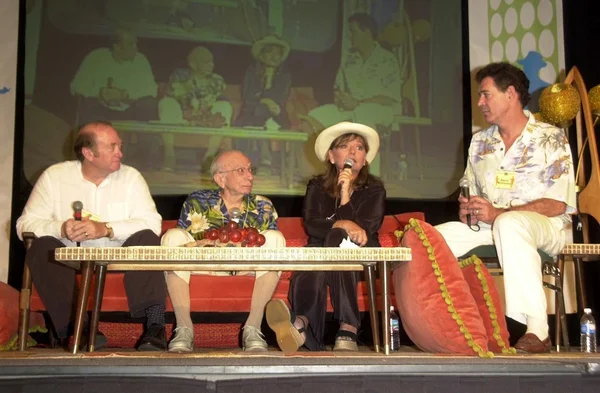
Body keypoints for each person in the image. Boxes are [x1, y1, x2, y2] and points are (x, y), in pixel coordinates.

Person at [414, 62, 576, 353]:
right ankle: (449, 328)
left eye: (486, 94)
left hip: (545, 228)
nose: (480, 102)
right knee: (427, 238)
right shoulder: (480, 142)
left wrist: (499, 214)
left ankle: (538, 331)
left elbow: (558, 203)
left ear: (511, 93)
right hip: (491, 227)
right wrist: (467, 206)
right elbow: (469, 188)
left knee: (509, 224)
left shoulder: (551, 138)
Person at [16, 121, 168, 351]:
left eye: (120, 146)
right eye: (113, 146)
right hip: (70, 259)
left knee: (146, 237)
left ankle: (155, 327)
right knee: (41, 246)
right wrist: (62, 228)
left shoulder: (131, 177)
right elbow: (24, 224)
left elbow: (153, 223)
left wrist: (106, 228)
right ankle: (79, 328)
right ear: (88, 153)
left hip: (120, 258)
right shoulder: (55, 176)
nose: (121, 153)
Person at [266, 122, 385, 352]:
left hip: (362, 256)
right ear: (332, 156)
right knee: (316, 256)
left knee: (335, 237)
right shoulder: (316, 186)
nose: (353, 152)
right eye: (344, 146)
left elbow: (364, 231)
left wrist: (344, 195)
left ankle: (320, 325)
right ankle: (307, 326)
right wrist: (342, 222)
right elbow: (312, 225)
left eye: (359, 148)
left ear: (365, 158)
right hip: (321, 252)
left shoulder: (375, 190)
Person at [160, 150, 285, 352]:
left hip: (248, 267)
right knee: (173, 236)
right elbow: (186, 243)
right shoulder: (197, 201)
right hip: (204, 266)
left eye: (250, 170)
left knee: (275, 238)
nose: (250, 176)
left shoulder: (263, 205)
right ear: (221, 179)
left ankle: (253, 328)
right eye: (241, 170)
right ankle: (184, 328)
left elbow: (268, 247)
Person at [304, 13, 402, 175]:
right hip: (350, 108)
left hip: (381, 109)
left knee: (363, 118)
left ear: (367, 32)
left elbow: (390, 97)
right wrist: (341, 98)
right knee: (314, 115)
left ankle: (369, 177)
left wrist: (357, 103)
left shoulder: (387, 60)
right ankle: (327, 169)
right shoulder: (350, 60)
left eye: (353, 32)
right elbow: (338, 88)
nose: (350, 36)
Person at [158, 46, 233, 168]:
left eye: (212, 61)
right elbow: (176, 94)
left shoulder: (216, 79)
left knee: (224, 106)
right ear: (193, 64)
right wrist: (189, 109)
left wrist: (200, 113)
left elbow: (210, 101)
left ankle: (209, 157)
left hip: (206, 119)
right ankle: (169, 155)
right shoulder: (179, 75)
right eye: (206, 62)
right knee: (166, 103)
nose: (211, 65)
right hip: (182, 116)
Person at [70, 28, 158, 124]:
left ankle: (146, 138)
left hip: (130, 110)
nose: (136, 48)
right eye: (131, 44)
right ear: (116, 47)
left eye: (136, 44)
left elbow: (152, 90)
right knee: (87, 103)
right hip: (101, 110)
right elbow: (76, 87)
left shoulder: (141, 60)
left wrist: (125, 95)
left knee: (149, 104)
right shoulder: (95, 57)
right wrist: (100, 93)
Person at [235, 34, 292, 176]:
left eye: (278, 53)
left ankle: (248, 163)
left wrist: (265, 98)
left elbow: (279, 98)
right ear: (262, 55)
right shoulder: (251, 72)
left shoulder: (285, 76)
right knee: (259, 111)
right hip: (252, 112)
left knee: (261, 111)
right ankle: (265, 161)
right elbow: (248, 97)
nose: (275, 56)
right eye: (270, 52)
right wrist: (266, 100)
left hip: (276, 115)